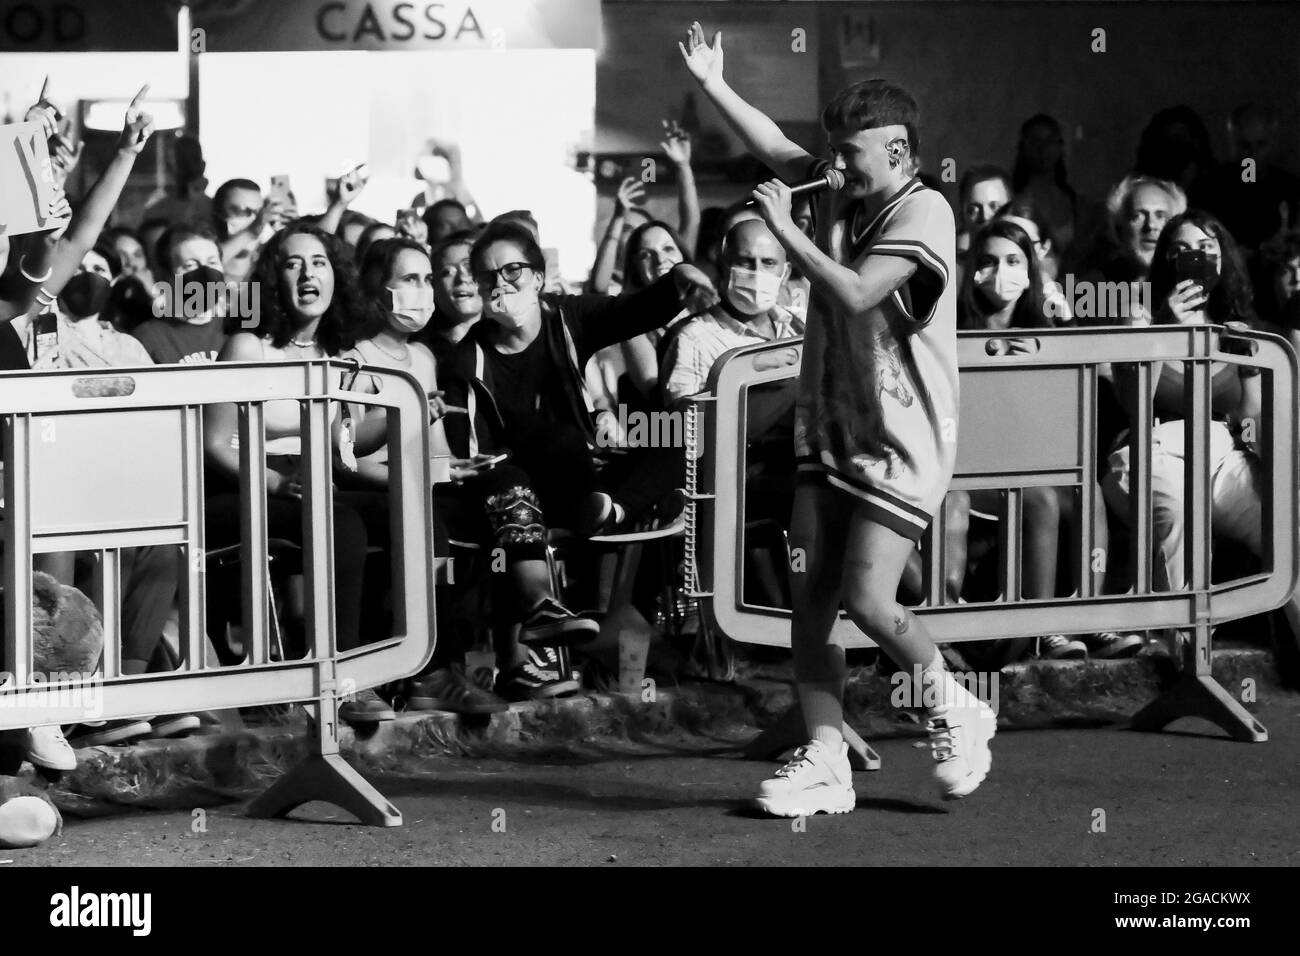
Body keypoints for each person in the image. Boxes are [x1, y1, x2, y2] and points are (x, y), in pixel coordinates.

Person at [681, 21, 995, 813]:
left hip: (903, 439)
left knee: (867, 599)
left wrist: (787, 231)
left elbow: (856, 291)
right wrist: (717, 85)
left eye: (849, 153)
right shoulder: (841, 186)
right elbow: (775, 151)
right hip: (830, 431)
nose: (833, 165)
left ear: (896, 151)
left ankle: (957, 703)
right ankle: (826, 758)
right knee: (812, 598)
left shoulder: (926, 214)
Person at [355, 237, 597, 704]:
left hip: (432, 485)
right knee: (445, 535)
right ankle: (434, 670)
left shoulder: (425, 358)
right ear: (376, 289)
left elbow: (438, 451)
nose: (424, 291)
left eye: (428, 279)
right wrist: (432, 476)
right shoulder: (357, 358)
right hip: (391, 493)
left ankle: (531, 625)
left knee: (508, 482)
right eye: (411, 280)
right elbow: (352, 460)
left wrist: (460, 467)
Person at [203, 223, 395, 725]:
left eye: (320, 262)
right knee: (343, 525)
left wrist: (400, 418)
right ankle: (338, 680)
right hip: (241, 488)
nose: (308, 273)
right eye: (293, 263)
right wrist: (275, 482)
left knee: (409, 517)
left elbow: (338, 452)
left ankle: (408, 670)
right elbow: (214, 444)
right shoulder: (248, 347)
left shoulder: (328, 355)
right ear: (273, 279)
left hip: (308, 482)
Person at [1103, 210, 1300, 649]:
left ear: (1223, 259)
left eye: (1207, 249)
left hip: (1223, 450)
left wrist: (1265, 453)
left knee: (1285, 522)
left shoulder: (1236, 328)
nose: (1195, 258)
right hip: (1153, 447)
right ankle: (1189, 654)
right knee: (1175, 513)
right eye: (1181, 251)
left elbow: (1250, 420)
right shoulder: (1141, 318)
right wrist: (1163, 331)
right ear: (1165, 263)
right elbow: (1131, 404)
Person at [956, 220, 1142, 661]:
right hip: (969, 470)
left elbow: (1074, 414)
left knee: (1089, 491)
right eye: (988, 261)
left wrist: (1057, 346)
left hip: (1034, 459)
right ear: (973, 270)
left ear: (1031, 269)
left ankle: (1087, 615)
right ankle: (1040, 629)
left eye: (1013, 261)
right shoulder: (955, 324)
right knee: (1038, 493)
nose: (1000, 272)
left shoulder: (1042, 326)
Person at [463, 220, 713, 537]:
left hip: (598, 473)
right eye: (488, 277)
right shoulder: (468, 358)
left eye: (513, 270)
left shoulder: (565, 316)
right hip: (536, 487)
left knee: (687, 422)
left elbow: (628, 311)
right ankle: (610, 516)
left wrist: (677, 280)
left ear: (538, 278)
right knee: (562, 439)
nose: (502, 283)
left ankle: (615, 512)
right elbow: (481, 458)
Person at [1077, 174, 1187, 326]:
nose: (1151, 226)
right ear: (1119, 229)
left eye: (1161, 216)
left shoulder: (1187, 284)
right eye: (1138, 216)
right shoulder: (1092, 291)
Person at [129, 224, 230, 365]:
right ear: (167, 276)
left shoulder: (235, 328)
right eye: (190, 265)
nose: (206, 271)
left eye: (212, 262)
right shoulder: (148, 338)